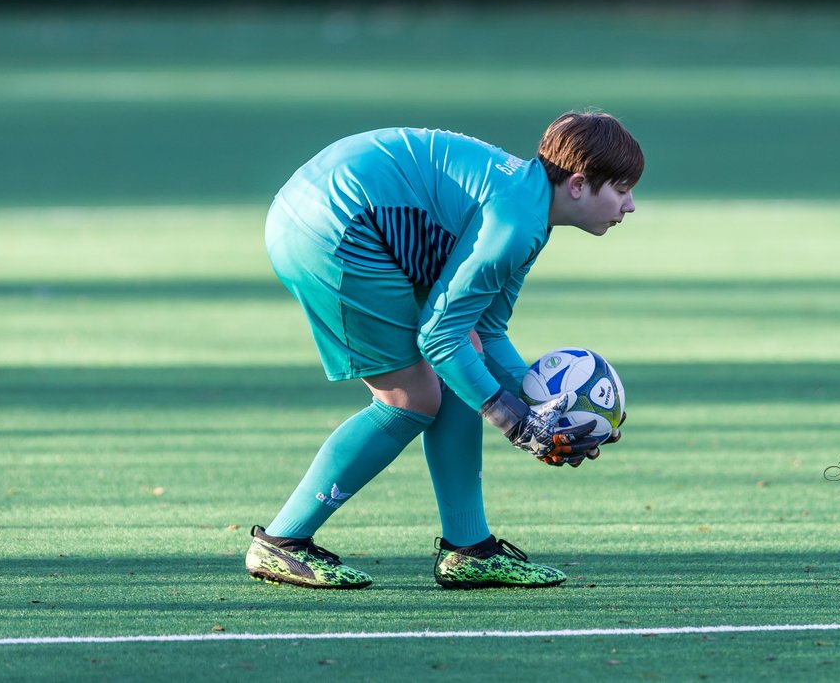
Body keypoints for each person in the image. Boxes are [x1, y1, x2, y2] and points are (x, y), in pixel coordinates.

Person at [244, 111, 643, 590]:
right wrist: (517, 423)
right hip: (331, 226)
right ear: (578, 184)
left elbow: (484, 333)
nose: (631, 205)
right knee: (410, 399)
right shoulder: (515, 224)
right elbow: (438, 336)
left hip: (328, 208)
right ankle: (283, 542)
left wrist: (552, 414)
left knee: (463, 364)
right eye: (621, 189)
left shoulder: (529, 208)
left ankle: (468, 549)